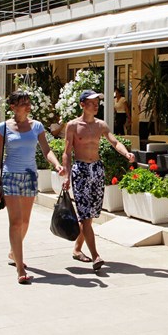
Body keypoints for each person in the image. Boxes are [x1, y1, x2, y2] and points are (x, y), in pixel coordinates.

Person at [0, 91, 64, 284]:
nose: (27, 106)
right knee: (15, 222)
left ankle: (14, 252)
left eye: (28, 103)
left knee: (25, 222)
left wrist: (56, 165)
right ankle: (20, 268)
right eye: (23, 103)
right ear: (13, 107)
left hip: (30, 176)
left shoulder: (37, 126)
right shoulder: (3, 128)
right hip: (10, 176)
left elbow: (46, 150)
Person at [61, 89, 135, 271]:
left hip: (97, 170)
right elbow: (67, 152)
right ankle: (96, 256)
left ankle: (77, 249)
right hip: (81, 171)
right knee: (85, 215)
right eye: (92, 103)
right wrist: (66, 175)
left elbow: (114, 141)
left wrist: (126, 153)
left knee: (90, 215)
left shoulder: (101, 125)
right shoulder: (72, 126)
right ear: (82, 105)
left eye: (97, 103)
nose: (96, 106)